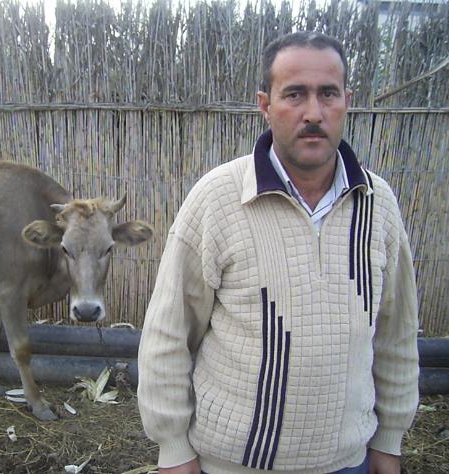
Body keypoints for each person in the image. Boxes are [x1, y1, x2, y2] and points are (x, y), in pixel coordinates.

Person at [137, 31, 419, 474]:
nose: (314, 113)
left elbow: (396, 333)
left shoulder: (377, 202)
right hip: (233, 463)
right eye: (295, 94)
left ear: (347, 101)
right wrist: (173, 446)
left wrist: (390, 438)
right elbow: (168, 333)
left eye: (328, 94)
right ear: (265, 105)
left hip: (348, 461)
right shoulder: (218, 198)